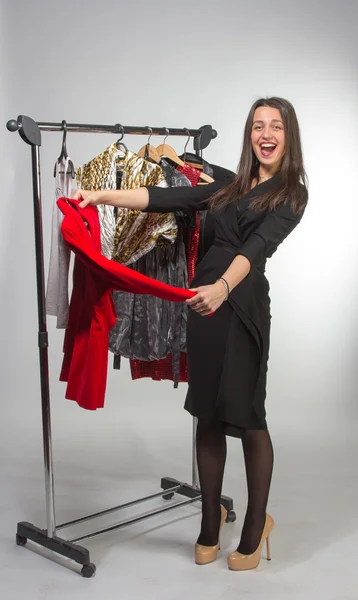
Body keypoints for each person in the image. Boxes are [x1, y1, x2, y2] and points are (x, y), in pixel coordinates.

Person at [74, 97, 308, 571]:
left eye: (275, 127)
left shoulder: (291, 195)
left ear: (288, 135)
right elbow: (164, 198)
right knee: (206, 412)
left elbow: (256, 249)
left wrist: (222, 287)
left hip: (240, 307)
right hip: (202, 306)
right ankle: (207, 525)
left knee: (246, 416)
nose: (265, 134)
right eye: (257, 126)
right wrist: (101, 197)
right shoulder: (227, 183)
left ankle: (256, 523)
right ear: (249, 135)